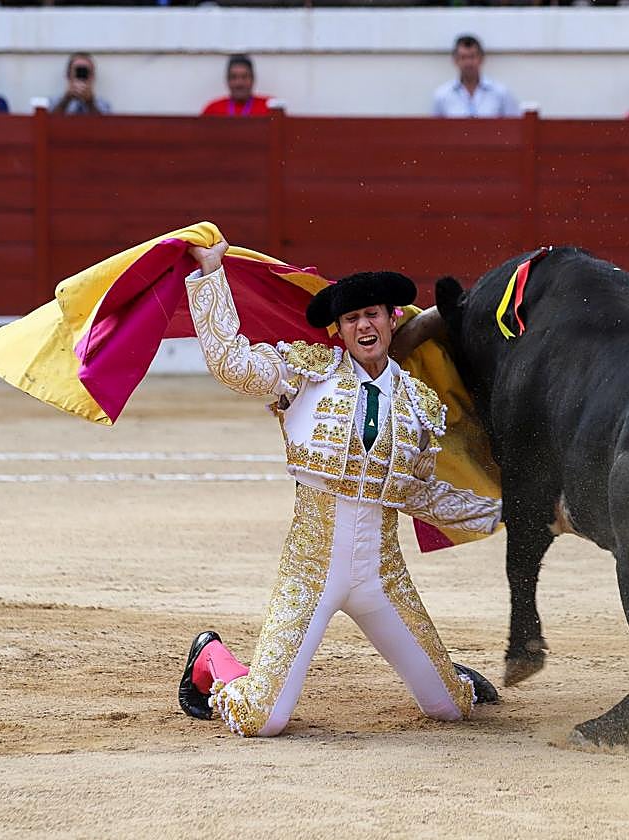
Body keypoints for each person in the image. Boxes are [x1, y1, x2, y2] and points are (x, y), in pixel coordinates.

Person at [176, 240, 503, 737]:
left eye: (372, 315)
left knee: (451, 708)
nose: (363, 326)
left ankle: (441, 670)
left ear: (393, 319)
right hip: (310, 574)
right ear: (339, 329)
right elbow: (232, 365)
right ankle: (212, 658)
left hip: (383, 578)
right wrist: (211, 277)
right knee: (262, 719)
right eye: (351, 319)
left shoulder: (417, 403)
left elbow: (422, 496)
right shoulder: (306, 374)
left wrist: (511, 512)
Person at [432, 34, 520, 119]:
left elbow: (514, 124)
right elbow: (436, 127)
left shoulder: (500, 93)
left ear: (481, 58)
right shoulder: (442, 95)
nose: (468, 62)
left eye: (472, 57)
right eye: (463, 57)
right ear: (455, 60)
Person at [201, 54, 270, 117]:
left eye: (244, 77)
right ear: (227, 80)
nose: (239, 83)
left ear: (253, 79)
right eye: (234, 77)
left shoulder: (269, 107)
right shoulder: (212, 110)